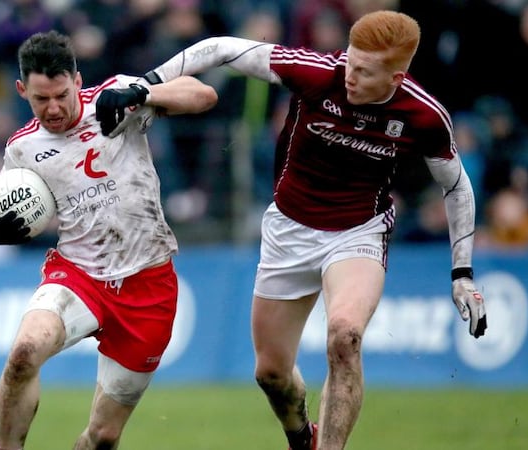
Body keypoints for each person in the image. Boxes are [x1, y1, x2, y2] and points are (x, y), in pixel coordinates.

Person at [130, 10, 487, 450]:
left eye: (364, 71)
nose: (349, 74)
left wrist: (462, 273)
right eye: (350, 61)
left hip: (359, 232)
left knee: (345, 335)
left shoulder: (423, 115)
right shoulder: (318, 73)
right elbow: (221, 48)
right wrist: (146, 83)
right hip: (289, 230)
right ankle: (302, 437)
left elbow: (456, 186)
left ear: (396, 77)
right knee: (271, 374)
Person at [0, 30, 217, 450]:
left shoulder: (118, 97)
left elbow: (204, 96)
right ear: (21, 90)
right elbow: (15, 213)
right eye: (39, 99)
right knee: (24, 353)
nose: (52, 108)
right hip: (79, 276)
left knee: (102, 437)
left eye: (61, 95)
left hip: (148, 284)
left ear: (78, 81)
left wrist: (145, 95)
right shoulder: (22, 149)